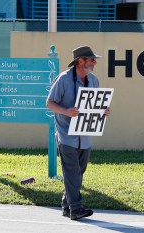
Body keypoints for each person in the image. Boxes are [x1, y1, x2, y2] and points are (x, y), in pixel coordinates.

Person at [46, 45, 111, 220]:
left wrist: (103, 110)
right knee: (72, 171)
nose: (94, 62)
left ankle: (67, 206)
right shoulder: (63, 79)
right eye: (91, 59)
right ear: (80, 61)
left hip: (86, 135)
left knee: (78, 172)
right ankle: (76, 209)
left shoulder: (94, 80)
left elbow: (95, 105)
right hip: (66, 135)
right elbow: (50, 103)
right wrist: (66, 111)